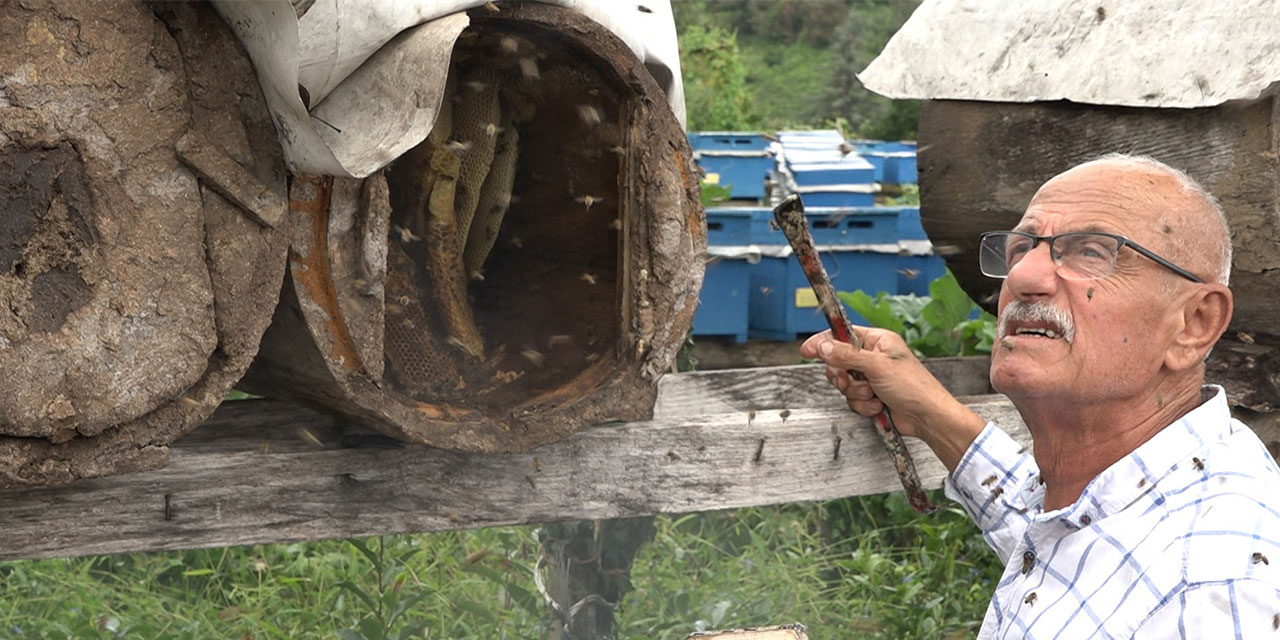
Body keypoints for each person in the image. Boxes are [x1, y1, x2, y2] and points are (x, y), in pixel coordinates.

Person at [801, 155, 1280, 638]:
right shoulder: (1142, 487)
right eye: (1021, 248)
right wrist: (929, 412)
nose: (1024, 277)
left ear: (1194, 325)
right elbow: (1066, 534)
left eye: (1092, 252)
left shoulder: (1214, 590)